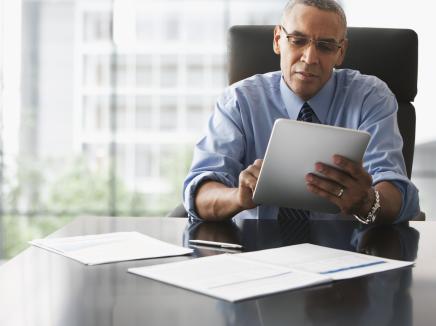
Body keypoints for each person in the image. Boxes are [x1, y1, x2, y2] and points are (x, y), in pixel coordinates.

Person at [183, 0, 420, 223]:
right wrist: (238, 197)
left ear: (341, 51)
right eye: (297, 40)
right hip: (255, 250)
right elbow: (199, 194)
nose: (310, 58)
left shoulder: (371, 98)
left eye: (325, 46)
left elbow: (396, 191)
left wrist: (366, 201)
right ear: (278, 39)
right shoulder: (238, 100)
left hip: (345, 252)